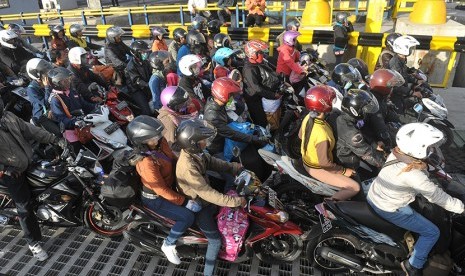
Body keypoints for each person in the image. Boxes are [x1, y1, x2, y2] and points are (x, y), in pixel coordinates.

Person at [367, 122, 465, 275]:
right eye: (428, 147)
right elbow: (437, 196)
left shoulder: (398, 153)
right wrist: (461, 207)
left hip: (378, 195)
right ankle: (413, 265)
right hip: (390, 207)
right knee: (432, 232)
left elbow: (423, 168)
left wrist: (430, 168)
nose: (432, 149)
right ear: (417, 148)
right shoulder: (413, 174)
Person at [175, 118, 246, 276]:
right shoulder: (188, 167)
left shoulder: (196, 154)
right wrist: (234, 201)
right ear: (193, 143)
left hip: (204, 197)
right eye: (203, 140)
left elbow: (213, 163)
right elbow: (206, 193)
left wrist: (234, 167)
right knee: (215, 241)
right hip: (199, 205)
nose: (206, 142)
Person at [0, 97, 65, 262]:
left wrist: (54, 138)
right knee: (25, 207)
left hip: (29, 161)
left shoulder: (7, 116)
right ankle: (34, 243)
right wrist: (5, 169)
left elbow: (30, 129)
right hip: (12, 173)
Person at [126, 115, 198, 265]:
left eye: (158, 135)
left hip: (170, 185)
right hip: (155, 199)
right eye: (152, 138)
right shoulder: (146, 162)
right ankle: (169, 244)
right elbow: (160, 190)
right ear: (141, 142)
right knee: (187, 217)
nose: (158, 139)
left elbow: (172, 157)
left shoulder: (160, 143)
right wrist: (184, 202)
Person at [299, 85, 360, 200]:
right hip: (317, 168)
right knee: (354, 187)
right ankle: (327, 208)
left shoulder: (308, 117)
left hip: (306, 159)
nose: (332, 103)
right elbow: (324, 163)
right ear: (324, 105)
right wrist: (343, 171)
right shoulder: (321, 133)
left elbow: (300, 135)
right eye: (331, 101)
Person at [204, 77, 270, 181]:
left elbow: (230, 121)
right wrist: (253, 139)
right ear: (223, 95)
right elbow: (231, 134)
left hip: (225, 140)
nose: (233, 98)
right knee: (232, 178)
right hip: (217, 149)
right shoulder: (213, 116)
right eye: (231, 95)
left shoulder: (217, 104)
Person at [336, 89, 386, 172]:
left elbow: (362, 133)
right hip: (348, 163)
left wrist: (374, 144)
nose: (366, 111)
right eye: (364, 109)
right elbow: (367, 154)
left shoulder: (351, 119)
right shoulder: (349, 131)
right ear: (354, 110)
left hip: (357, 152)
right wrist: (388, 164)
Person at [242, 40, 281, 127]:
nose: (262, 54)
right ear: (252, 54)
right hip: (253, 99)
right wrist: (273, 95)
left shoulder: (259, 63)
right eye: (260, 52)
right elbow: (257, 88)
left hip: (261, 96)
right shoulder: (249, 70)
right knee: (262, 122)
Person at [366, 69, 405, 149]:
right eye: (391, 87)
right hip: (375, 142)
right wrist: (390, 146)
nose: (392, 89)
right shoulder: (374, 104)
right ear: (384, 87)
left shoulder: (380, 99)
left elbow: (392, 117)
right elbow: (381, 129)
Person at [47, 67, 96, 131]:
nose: (68, 82)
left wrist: (97, 107)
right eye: (64, 81)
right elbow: (62, 119)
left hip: (83, 121)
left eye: (68, 79)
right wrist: (75, 122)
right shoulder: (55, 99)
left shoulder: (71, 91)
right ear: (56, 84)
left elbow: (84, 105)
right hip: (72, 128)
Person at [388, 35, 422, 116]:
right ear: (403, 48)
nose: (411, 50)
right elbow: (396, 85)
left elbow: (405, 75)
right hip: (395, 95)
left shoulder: (401, 59)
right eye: (410, 48)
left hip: (402, 93)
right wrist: (412, 93)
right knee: (399, 115)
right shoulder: (395, 63)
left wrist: (417, 80)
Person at [25, 58, 61, 135]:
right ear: (36, 74)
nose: (48, 73)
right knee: (59, 133)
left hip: (54, 108)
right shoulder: (31, 89)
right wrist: (47, 87)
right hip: (43, 116)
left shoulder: (50, 80)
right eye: (45, 71)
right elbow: (45, 103)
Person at [125, 40, 153, 116]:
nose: (145, 54)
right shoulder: (131, 66)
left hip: (146, 86)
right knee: (147, 111)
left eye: (146, 52)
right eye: (143, 52)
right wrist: (148, 85)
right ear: (136, 53)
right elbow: (136, 80)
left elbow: (151, 72)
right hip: (137, 90)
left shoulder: (145, 62)